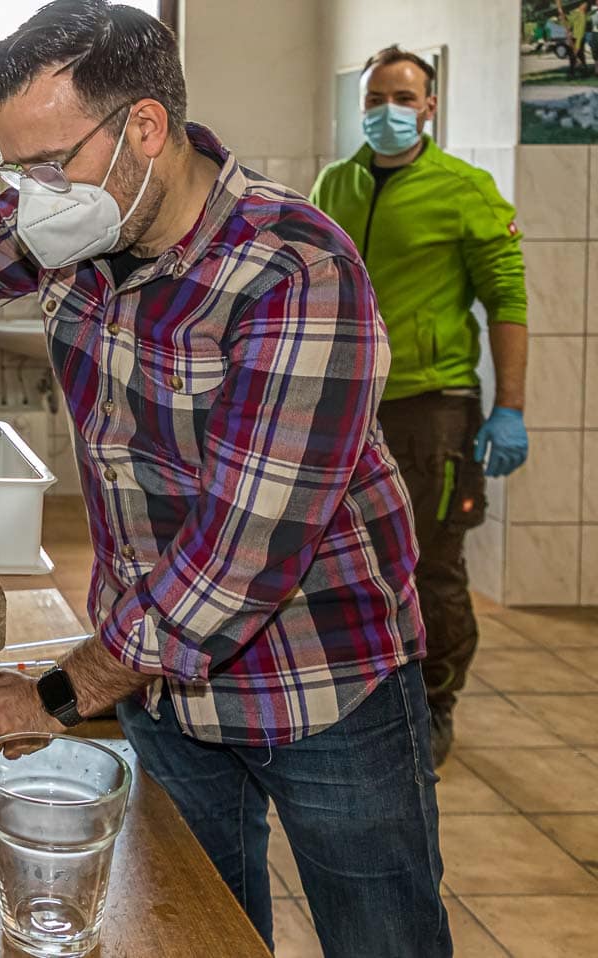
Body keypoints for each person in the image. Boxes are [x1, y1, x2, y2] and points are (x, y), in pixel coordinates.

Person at [0, 3, 451, 954]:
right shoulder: (79, 223)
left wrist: (57, 691)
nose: (30, 195)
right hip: (163, 683)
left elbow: (236, 566)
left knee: (382, 936)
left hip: (321, 679)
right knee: (194, 930)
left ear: (144, 128)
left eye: (48, 166)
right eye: (15, 169)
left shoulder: (293, 271)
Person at [310, 47, 528, 768]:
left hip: (433, 409)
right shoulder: (335, 184)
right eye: (377, 96)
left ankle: (436, 702)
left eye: (403, 97)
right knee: (344, 560)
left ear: (429, 106)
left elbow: (508, 301)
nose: (387, 110)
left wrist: (511, 407)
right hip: (348, 409)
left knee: (429, 568)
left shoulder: (465, 189)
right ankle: (366, 698)